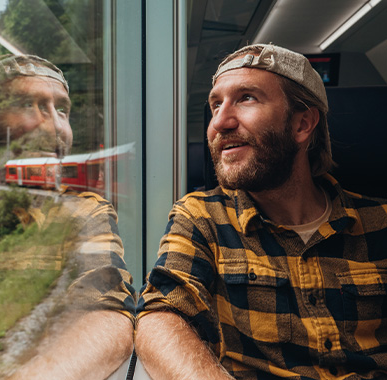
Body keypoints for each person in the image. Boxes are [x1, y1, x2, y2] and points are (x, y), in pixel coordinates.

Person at [135, 44, 387, 379]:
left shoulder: (379, 222)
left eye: (246, 98)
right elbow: (161, 317)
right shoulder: (203, 217)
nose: (219, 122)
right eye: (215, 105)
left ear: (302, 124)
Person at [0, 54, 135, 380]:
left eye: (62, 109)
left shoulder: (84, 212)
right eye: (26, 104)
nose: (56, 127)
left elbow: (106, 316)